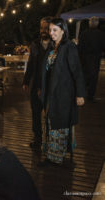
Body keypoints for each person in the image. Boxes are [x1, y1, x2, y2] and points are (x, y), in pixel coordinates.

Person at [40, 18, 85, 165]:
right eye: (50, 30)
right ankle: (50, 155)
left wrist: (80, 94)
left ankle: (56, 157)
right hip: (51, 94)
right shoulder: (53, 47)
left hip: (64, 94)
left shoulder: (69, 47)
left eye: (55, 30)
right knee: (50, 122)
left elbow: (77, 72)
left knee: (59, 124)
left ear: (63, 31)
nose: (51, 33)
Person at [22, 17, 53, 150]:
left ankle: (50, 142)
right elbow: (30, 65)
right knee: (35, 114)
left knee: (50, 116)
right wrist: (26, 81)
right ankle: (37, 139)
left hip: (50, 87)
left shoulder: (55, 45)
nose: (43, 31)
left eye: (46, 28)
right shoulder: (34, 44)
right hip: (35, 86)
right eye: (41, 28)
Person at [78, 16, 105, 102]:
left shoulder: (83, 33)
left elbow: (80, 47)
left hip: (85, 58)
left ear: (89, 23)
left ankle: (82, 94)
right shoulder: (101, 34)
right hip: (95, 58)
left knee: (85, 77)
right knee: (94, 77)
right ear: (97, 23)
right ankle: (90, 95)